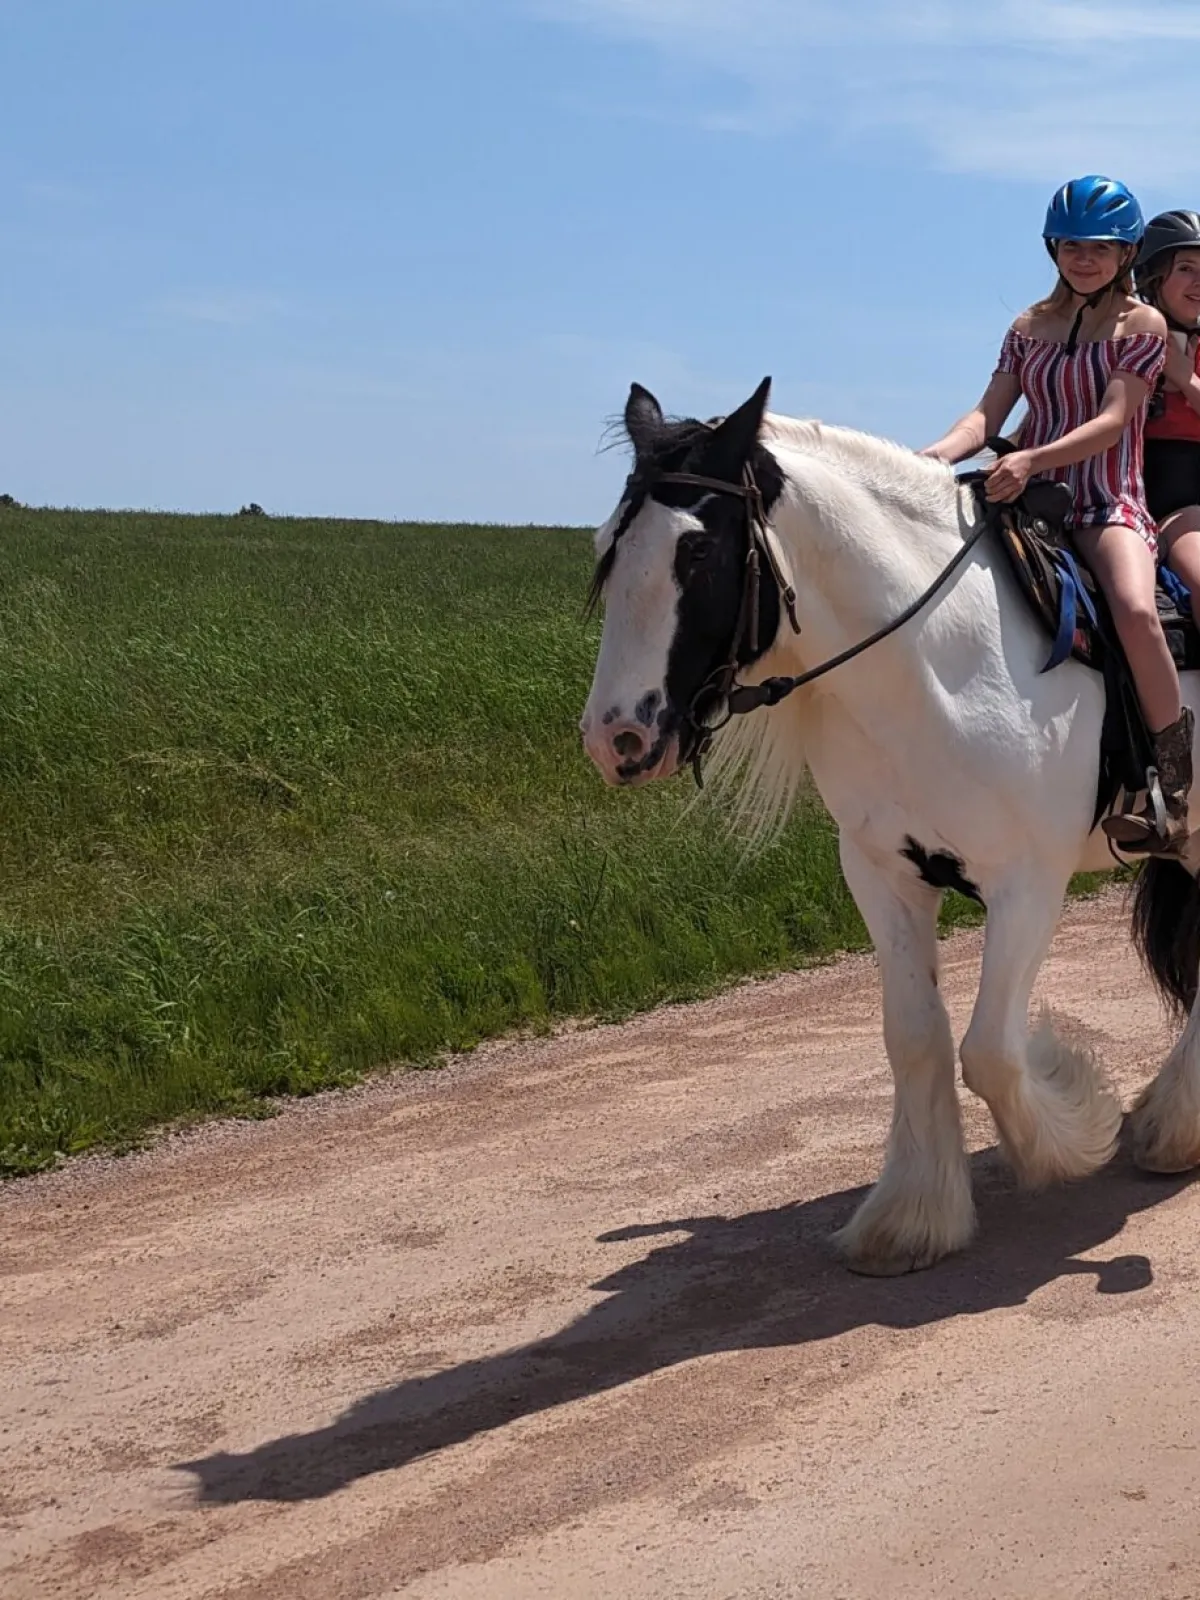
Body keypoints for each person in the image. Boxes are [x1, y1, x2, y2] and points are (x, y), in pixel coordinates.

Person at [920, 175, 1191, 856]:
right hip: (1029, 499)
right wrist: (928, 458)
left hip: (1106, 503)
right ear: (1053, 247)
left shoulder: (1143, 326)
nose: (1085, 258)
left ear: (1127, 253)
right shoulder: (1027, 328)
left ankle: (1173, 780)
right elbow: (986, 417)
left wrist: (1032, 459)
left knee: (1132, 608)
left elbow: (1112, 422)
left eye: (1100, 247)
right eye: (1072, 244)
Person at [1137, 211, 1200, 605]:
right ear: (1154, 278)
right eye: (1187, 269)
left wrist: (1182, 375)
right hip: (1147, 496)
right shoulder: (1126, 340)